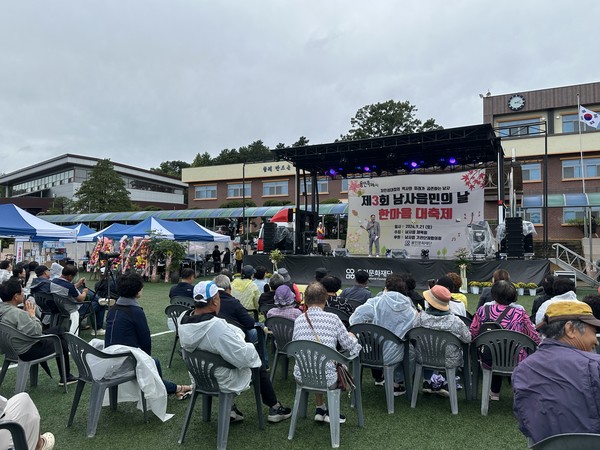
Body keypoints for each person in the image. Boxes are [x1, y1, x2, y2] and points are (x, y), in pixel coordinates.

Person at [178, 281, 292, 424]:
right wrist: (245, 342)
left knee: (223, 355)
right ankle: (275, 408)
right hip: (220, 378)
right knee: (257, 364)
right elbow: (244, 357)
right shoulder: (216, 327)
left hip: (199, 374)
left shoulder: (182, 318)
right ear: (215, 301)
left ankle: (231, 408)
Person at [513, 302, 600, 445]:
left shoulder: (522, 370)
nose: (595, 340)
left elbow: (525, 425)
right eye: (593, 330)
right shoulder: (594, 364)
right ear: (570, 329)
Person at [104, 271, 192, 400]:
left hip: (109, 357)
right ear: (138, 290)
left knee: (151, 363)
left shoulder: (113, 309)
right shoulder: (135, 311)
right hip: (124, 360)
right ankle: (176, 389)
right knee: (153, 363)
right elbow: (146, 341)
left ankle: (176, 389)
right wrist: (146, 361)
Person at [292, 282, 361, 423]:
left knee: (317, 359)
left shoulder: (298, 320)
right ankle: (330, 412)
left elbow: (295, 346)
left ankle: (320, 408)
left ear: (306, 299)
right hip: (327, 377)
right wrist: (354, 338)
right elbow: (349, 345)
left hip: (302, 375)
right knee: (329, 363)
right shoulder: (333, 319)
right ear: (325, 299)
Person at [469, 280, 540, 401]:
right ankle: (519, 391)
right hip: (515, 357)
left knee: (494, 348)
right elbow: (533, 336)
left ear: (494, 295)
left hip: (488, 357)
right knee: (512, 350)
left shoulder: (482, 310)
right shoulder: (520, 312)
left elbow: (473, 333)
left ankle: (494, 392)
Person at [0, 278, 77, 386]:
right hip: (26, 351)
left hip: (10, 349)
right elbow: (37, 332)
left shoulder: (4, 310)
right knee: (61, 341)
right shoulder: (17, 314)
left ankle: (66, 375)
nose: (23, 294)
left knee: (59, 330)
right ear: (16, 296)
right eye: (21, 292)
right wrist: (31, 315)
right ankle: (66, 377)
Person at [350, 274, 417, 394]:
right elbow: (415, 331)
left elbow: (355, 319)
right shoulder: (411, 310)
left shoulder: (375, 302)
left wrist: (367, 332)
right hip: (395, 354)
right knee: (410, 350)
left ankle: (394, 382)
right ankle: (397, 382)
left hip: (369, 352)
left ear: (386, 288)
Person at [413, 285, 472, 395]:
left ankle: (427, 381)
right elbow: (467, 338)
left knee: (427, 348)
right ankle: (446, 383)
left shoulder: (420, 318)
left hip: (424, 358)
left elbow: (413, 333)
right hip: (449, 360)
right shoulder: (455, 321)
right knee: (452, 352)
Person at [50, 264, 105, 336]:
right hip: (73, 308)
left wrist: (78, 284)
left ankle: (99, 299)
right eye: (73, 276)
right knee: (100, 305)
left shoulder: (54, 281)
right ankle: (97, 329)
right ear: (70, 276)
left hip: (62, 307)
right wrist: (84, 292)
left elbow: (67, 290)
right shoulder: (69, 286)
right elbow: (81, 299)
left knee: (94, 300)